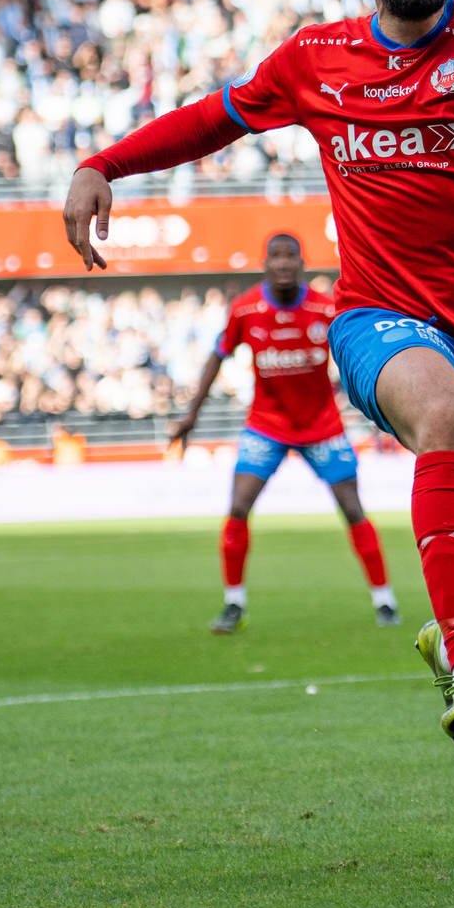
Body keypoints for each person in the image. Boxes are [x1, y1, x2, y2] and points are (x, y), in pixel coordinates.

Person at [64, 0, 454, 766]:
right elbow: (215, 118)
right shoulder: (317, 60)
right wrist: (104, 165)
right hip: (379, 318)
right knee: (444, 415)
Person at [171, 234, 397, 634]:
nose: (283, 264)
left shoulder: (324, 309)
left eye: (290, 256)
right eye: (275, 256)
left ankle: (384, 600)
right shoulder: (246, 310)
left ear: (301, 263)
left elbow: (360, 355)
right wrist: (192, 415)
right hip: (267, 426)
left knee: (352, 509)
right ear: (265, 264)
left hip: (322, 425)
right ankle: (233, 604)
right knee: (238, 507)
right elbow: (217, 357)